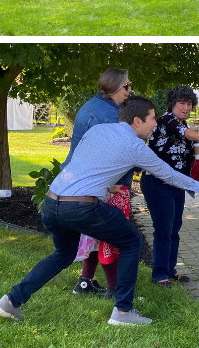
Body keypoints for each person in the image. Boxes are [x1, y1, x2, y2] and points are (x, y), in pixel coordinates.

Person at [0, 96, 199, 327]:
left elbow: (81, 160)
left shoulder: (97, 130)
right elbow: (169, 174)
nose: (155, 123)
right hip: (81, 206)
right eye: (152, 118)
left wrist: (105, 184)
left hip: (52, 202)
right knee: (132, 240)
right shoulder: (135, 147)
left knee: (63, 255)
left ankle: (10, 301)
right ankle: (123, 311)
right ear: (137, 120)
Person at [62, 68, 132, 295]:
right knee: (112, 235)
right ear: (114, 88)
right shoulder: (110, 116)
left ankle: (85, 282)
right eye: (127, 86)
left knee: (93, 234)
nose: (130, 91)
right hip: (105, 184)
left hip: (84, 181)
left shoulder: (92, 105)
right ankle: (115, 290)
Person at [146, 86, 199, 285]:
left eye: (189, 104)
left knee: (174, 228)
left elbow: (188, 144)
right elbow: (185, 132)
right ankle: (159, 275)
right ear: (173, 104)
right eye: (181, 103)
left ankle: (170, 269)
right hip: (158, 183)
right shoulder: (167, 121)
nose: (186, 107)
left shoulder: (184, 123)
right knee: (164, 229)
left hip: (176, 184)